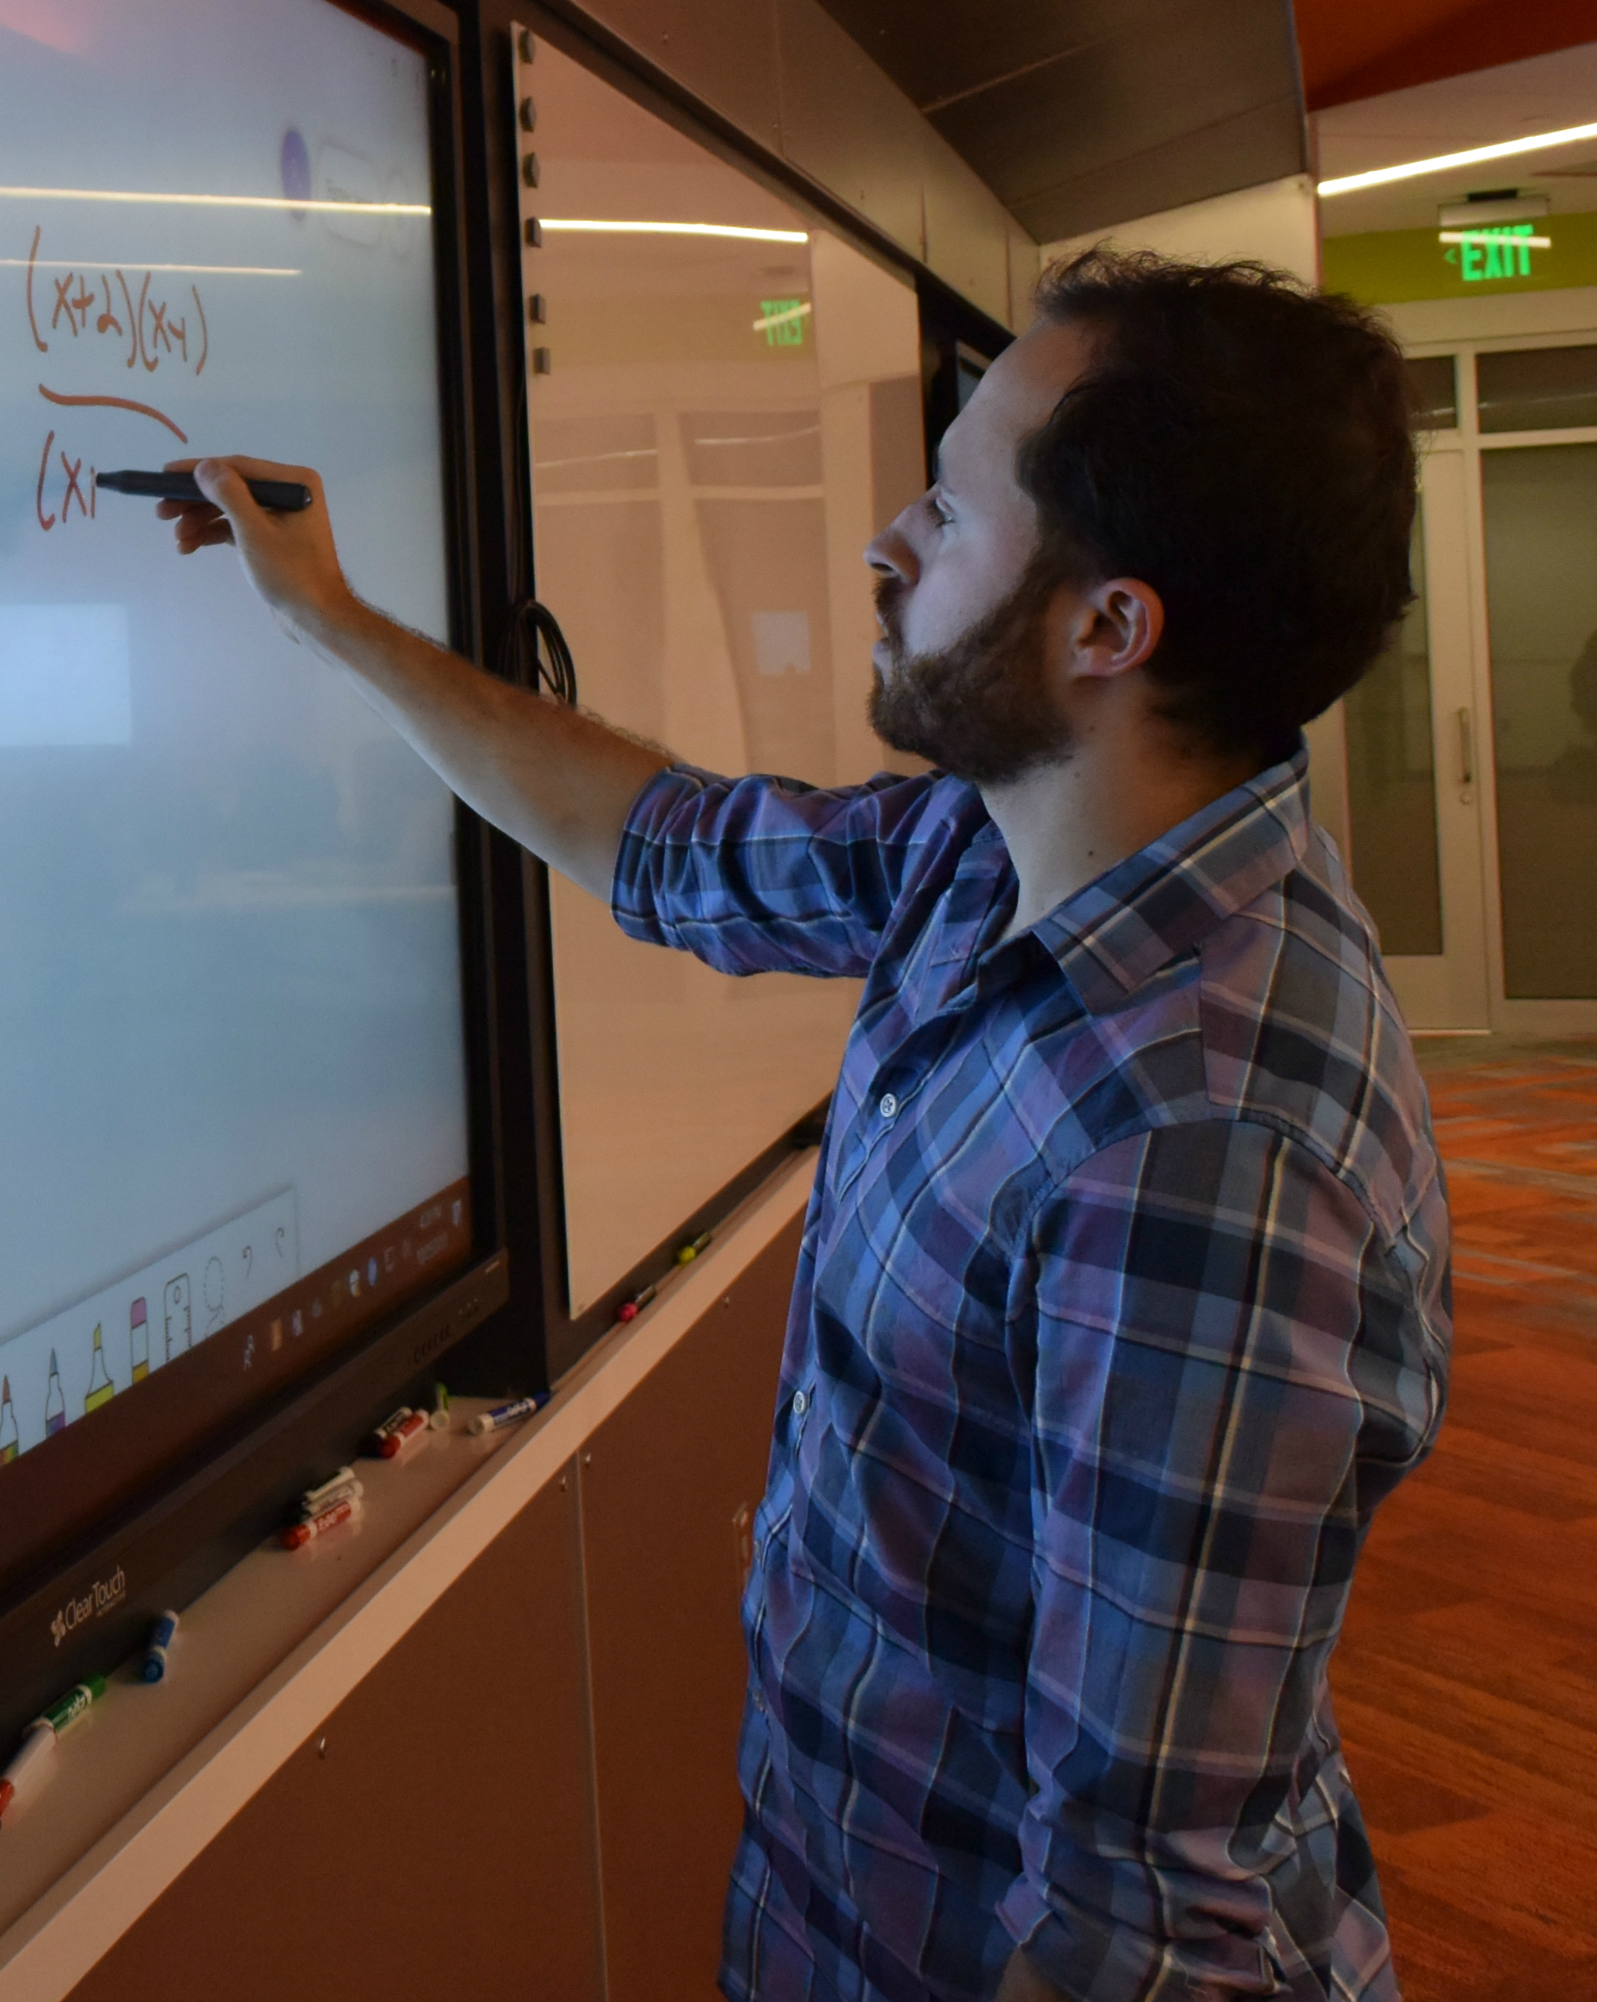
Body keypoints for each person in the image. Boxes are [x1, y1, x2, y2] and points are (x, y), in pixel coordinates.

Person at [146, 251, 1450, 2002]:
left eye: (946, 506)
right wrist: (330, 617)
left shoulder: (1202, 1143)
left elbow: (1145, 1914)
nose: (884, 546)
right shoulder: (989, 855)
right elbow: (662, 842)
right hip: (837, 1910)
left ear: (1105, 628)